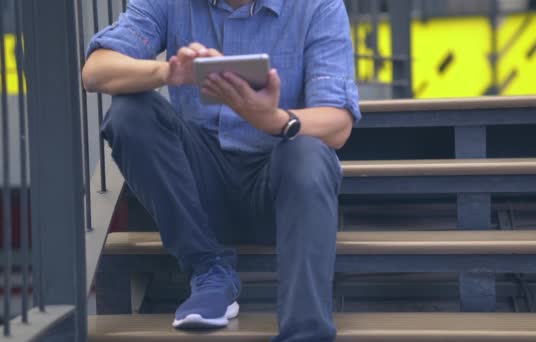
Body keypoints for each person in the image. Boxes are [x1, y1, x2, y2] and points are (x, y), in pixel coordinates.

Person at [83, 0, 360, 341]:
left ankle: (305, 331)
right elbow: (95, 70)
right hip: (199, 190)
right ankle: (209, 268)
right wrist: (165, 72)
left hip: (277, 189)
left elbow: (338, 124)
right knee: (129, 112)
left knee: (308, 151)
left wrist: (270, 119)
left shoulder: (317, 6)